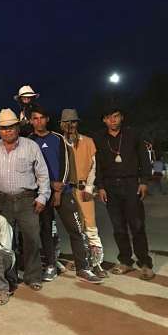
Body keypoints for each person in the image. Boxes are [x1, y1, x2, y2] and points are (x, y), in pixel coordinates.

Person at [29, 106, 103, 284]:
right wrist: (48, 188)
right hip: (42, 194)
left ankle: (83, 267)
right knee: (46, 231)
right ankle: (51, 265)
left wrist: (58, 189)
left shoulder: (58, 138)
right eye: (35, 118)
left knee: (76, 229)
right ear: (31, 121)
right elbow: (29, 168)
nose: (39, 121)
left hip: (64, 191)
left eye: (42, 117)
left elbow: (66, 164)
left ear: (47, 119)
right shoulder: (28, 141)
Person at [0, 108, 50, 291]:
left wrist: (43, 196)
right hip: (2, 200)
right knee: (6, 241)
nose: (8, 131)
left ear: (18, 128)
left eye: (11, 127)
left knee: (31, 239)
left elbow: (42, 173)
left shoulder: (30, 146)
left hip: (27, 199)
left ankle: (33, 276)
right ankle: (10, 277)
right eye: (4, 128)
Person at [95, 106, 155, 280]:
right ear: (104, 120)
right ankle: (125, 261)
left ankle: (145, 263)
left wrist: (144, 181)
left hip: (131, 185)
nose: (113, 120)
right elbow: (97, 164)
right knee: (118, 227)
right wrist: (100, 186)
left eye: (116, 116)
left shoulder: (133, 135)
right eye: (109, 117)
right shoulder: (99, 138)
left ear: (122, 117)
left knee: (137, 225)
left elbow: (144, 159)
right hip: (110, 187)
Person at [60, 108, 107, 277]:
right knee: (75, 229)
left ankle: (97, 263)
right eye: (66, 122)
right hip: (66, 191)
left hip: (83, 190)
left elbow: (94, 166)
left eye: (73, 122)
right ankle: (82, 260)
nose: (70, 125)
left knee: (90, 226)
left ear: (77, 123)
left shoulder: (87, 141)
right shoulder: (59, 142)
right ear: (61, 124)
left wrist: (89, 187)